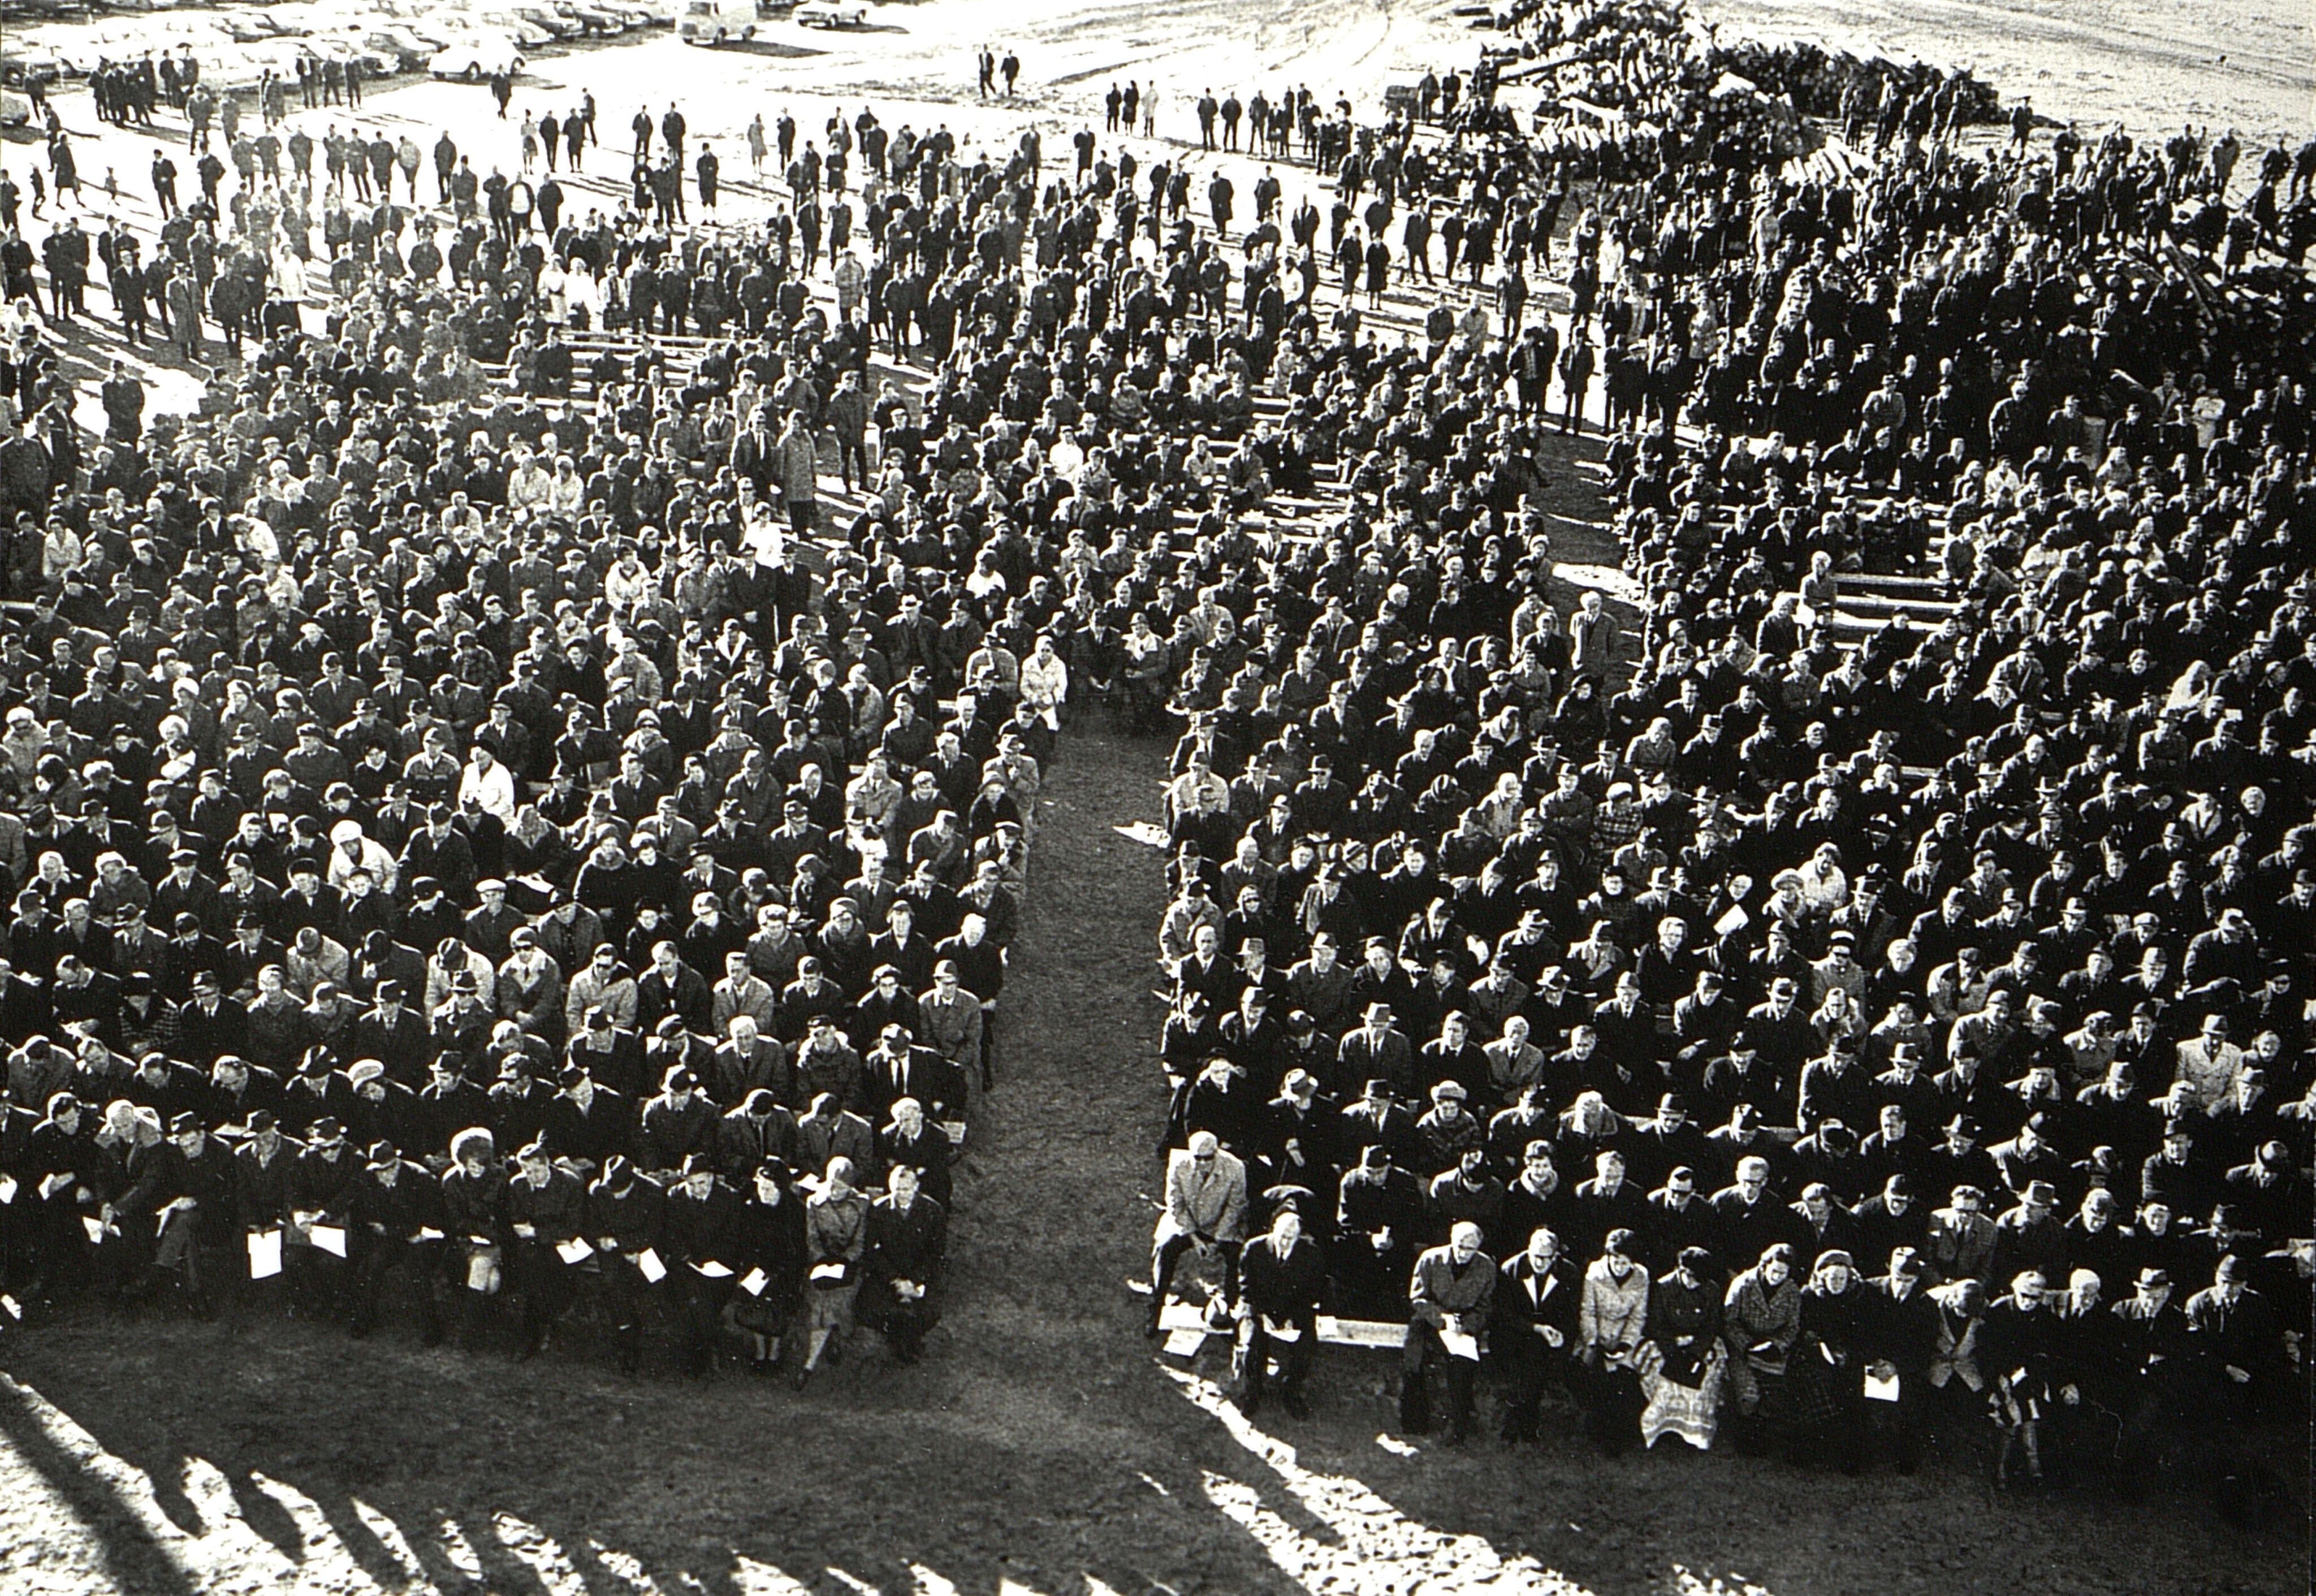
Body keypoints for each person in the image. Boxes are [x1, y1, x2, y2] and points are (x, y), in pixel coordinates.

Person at [1399, 1219, 1494, 1442]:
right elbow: (1418, 1297)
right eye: (1459, 1246)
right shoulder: (1431, 1259)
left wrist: (1467, 1324)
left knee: (1462, 1366)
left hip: (1463, 1324)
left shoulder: (1486, 1267)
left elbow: (1486, 1305)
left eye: (1469, 1249)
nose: (1463, 1253)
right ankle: (1414, 1423)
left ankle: (1458, 1426)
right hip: (1431, 1320)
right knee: (1415, 1360)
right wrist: (1442, 1319)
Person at [1148, 1129, 1246, 1333]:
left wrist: (1218, 1240)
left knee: (1238, 1255)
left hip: (1220, 1224)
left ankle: (1229, 1310)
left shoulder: (1235, 1168)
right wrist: (1194, 1238)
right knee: (1164, 1249)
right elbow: (1175, 1204)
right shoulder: (1178, 1164)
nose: (1202, 1163)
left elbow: (1235, 1207)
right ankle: (1156, 1308)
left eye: (1208, 1158)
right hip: (1187, 1222)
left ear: (1217, 1153)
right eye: (1197, 1158)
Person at [1235, 1203, 1325, 1417]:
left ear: (1298, 1237)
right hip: (1259, 1307)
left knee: (1307, 1344)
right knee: (1251, 1343)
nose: (1284, 1242)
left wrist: (1293, 1319)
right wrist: (1261, 1314)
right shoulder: (1254, 1249)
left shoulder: (1310, 1254)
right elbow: (1246, 1288)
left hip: (1292, 1309)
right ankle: (1253, 1392)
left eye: (1290, 1239)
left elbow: (1312, 1293)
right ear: (1273, 1229)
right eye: (1282, 1236)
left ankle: (1291, 1391)